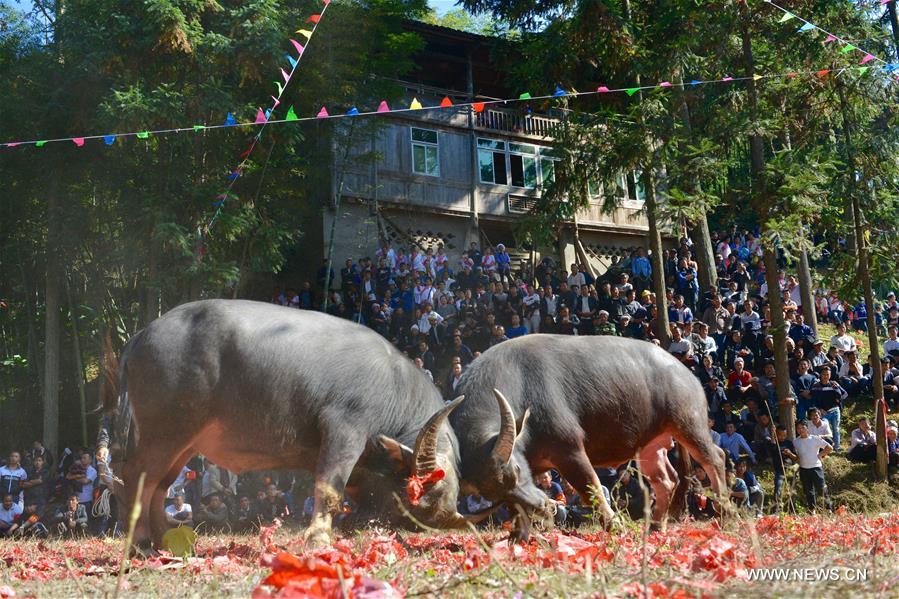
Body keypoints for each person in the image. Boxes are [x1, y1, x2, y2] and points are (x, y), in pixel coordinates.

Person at [793, 420, 833, 513]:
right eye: (798, 428)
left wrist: (820, 455)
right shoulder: (796, 442)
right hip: (803, 469)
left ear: (807, 428)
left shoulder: (815, 439)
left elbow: (829, 448)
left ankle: (829, 508)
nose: (801, 430)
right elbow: (797, 456)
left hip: (816, 468)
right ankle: (812, 510)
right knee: (808, 490)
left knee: (821, 488)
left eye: (803, 427)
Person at [810, 366, 846, 451]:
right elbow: (813, 400)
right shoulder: (816, 386)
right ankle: (823, 447)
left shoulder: (834, 384)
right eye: (824, 374)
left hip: (834, 410)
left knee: (836, 429)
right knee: (823, 429)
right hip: (822, 412)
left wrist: (837, 393)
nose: (826, 376)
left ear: (830, 375)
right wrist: (819, 409)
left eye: (828, 374)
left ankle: (837, 448)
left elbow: (844, 394)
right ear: (820, 375)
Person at [773, 425, 798, 513]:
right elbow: (770, 449)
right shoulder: (774, 443)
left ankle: (792, 510)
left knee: (792, 491)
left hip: (790, 469)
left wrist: (790, 453)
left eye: (784, 435)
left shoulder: (789, 443)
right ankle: (777, 509)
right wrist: (773, 435)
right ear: (776, 434)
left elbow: (795, 458)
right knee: (778, 489)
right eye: (780, 435)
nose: (782, 437)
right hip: (779, 470)